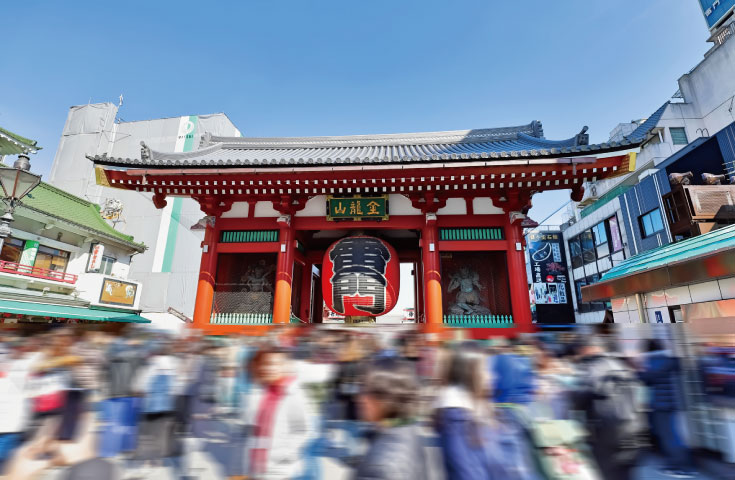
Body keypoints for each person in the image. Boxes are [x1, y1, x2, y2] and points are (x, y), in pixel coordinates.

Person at [434, 346, 538, 480]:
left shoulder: (475, 412)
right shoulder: (457, 419)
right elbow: (469, 472)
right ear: (470, 374)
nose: (492, 376)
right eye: (485, 369)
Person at [571, 336, 644, 480]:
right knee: (627, 473)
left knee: (609, 473)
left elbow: (581, 398)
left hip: (607, 432)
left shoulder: (593, 367)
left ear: (587, 349)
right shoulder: (620, 364)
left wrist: (569, 395)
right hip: (633, 427)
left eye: (579, 350)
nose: (578, 354)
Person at [243, 344, 316, 479]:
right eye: (264, 364)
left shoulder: (293, 394)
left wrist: (283, 454)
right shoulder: (261, 390)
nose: (268, 368)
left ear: (284, 366)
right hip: (256, 465)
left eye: (274, 364)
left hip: (278, 470)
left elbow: (304, 431)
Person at [353, 358, 426, 480]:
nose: (359, 399)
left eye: (365, 390)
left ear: (386, 399)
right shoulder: (406, 431)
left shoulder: (380, 468)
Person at [638, 339, 695, 478]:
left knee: (669, 437)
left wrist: (637, 372)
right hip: (671, 403)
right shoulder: (667, 359)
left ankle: (681, 467)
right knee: (673, 435)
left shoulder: (654, 360)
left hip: (661, 405)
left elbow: (648, 378)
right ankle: (680, 464)